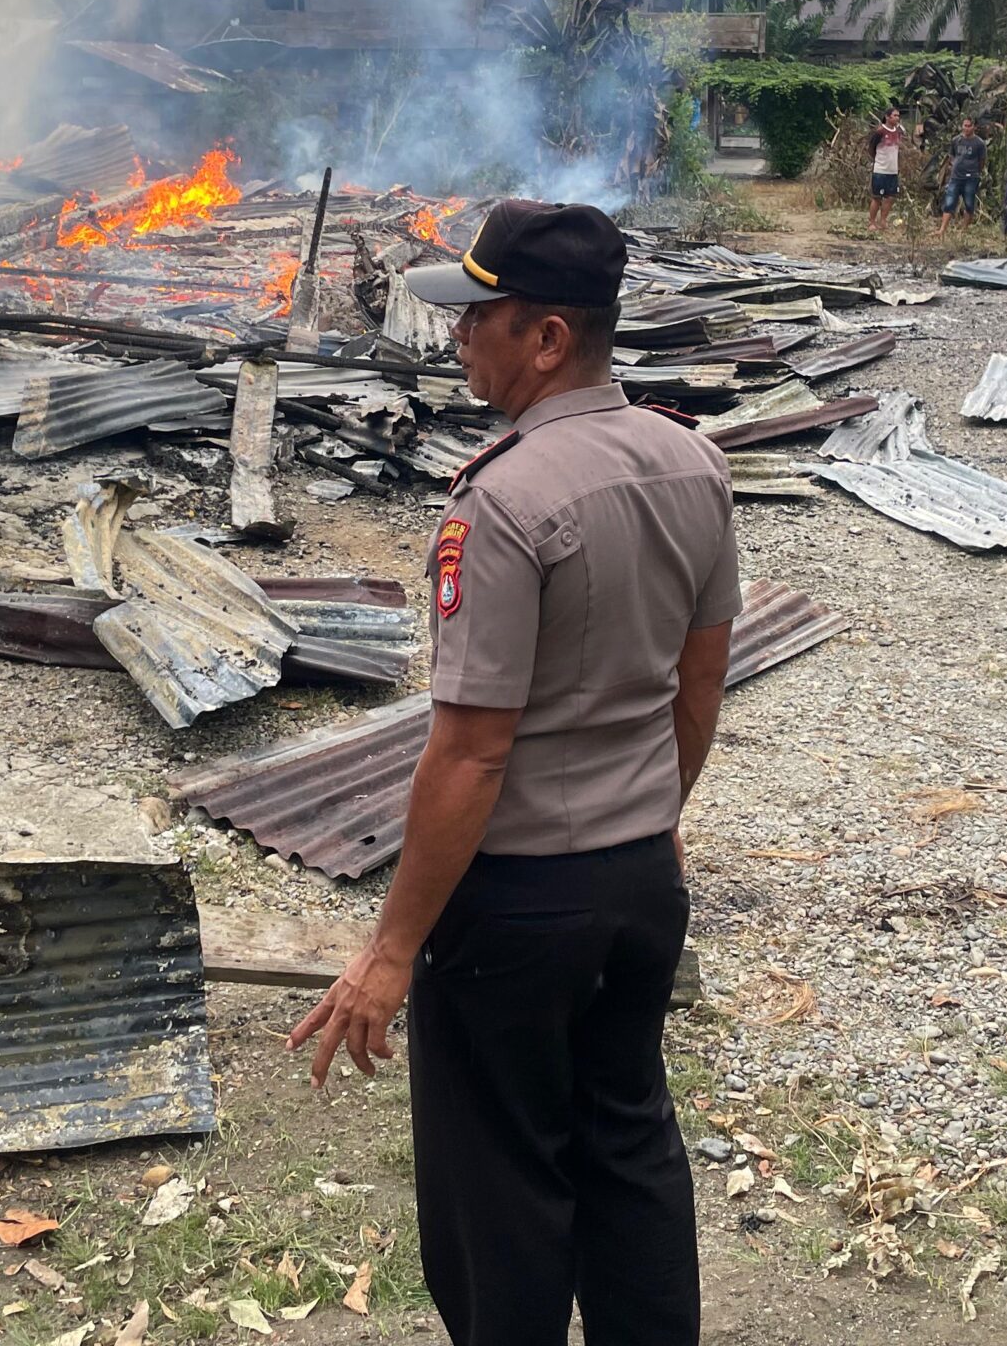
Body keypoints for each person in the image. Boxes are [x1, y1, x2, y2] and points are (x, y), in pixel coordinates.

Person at [288, 197, 740, 1346]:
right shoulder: (692, 463)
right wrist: (653, 819)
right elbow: (697, 686)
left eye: (477, 317)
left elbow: (472, 750)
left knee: (500, 1180)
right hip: (641, 884)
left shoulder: (502, 501)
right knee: (628, 1141)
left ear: (546, 337)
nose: (457, 336)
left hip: (520, 906)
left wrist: (390, 950)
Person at [933, 117, 987, 239]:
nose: (966, 128)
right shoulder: (956, 140)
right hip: (956, 177)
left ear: (974, 127)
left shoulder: (979, 143)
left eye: (969, 126)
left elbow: (982, 161)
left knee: (969, 204)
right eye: (965, 125)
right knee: (949, 202)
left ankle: (963, 230)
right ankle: (942, 230)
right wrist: (953, 168)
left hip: (971, 177)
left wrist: (975, 172)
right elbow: (952, 156)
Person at [867, 106, 904, 232]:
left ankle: (883, 220)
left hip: (892, 171)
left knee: (890, 197)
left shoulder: (898, 132)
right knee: (877, 197)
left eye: (898, 116)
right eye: (894, 115)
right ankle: (872, 222)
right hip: (880, 170)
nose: (897, 118)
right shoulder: (880, 132)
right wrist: (878, 160)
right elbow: (871, 149)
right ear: (887, 117)